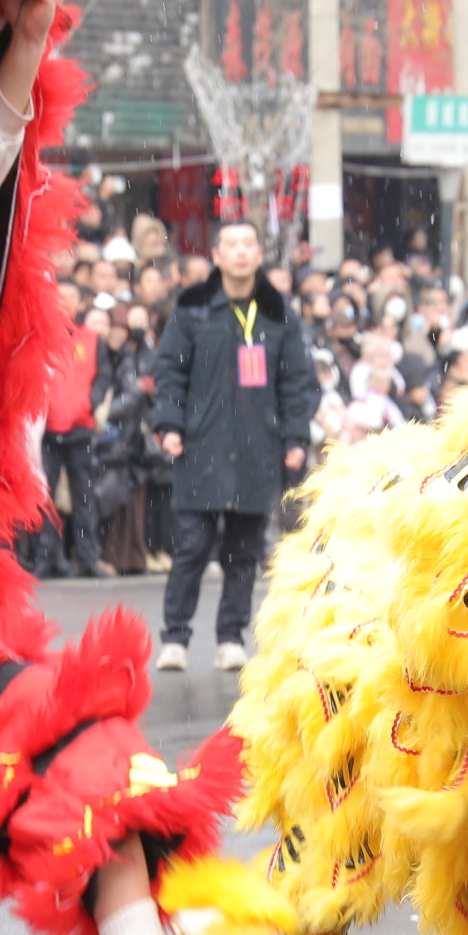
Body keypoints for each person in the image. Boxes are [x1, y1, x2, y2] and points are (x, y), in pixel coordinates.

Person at [147, 217, 315, 672]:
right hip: (201, 444)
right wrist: (170, 425)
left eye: (248, 243)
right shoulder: (193, 309)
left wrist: (295, 435)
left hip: (259, 446)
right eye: (231, 244)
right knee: (192, 547)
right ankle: (175, 637)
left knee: (244, 552)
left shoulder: (279, 313)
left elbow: (297, 381)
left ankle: (230, 637)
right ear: (216, 255)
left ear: (259, 254)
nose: (240, 252)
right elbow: (169, 373)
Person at [37, 276, 107, 576]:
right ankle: (47, 559)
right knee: (46, 499)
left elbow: (103, 377)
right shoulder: (39, 337)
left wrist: (90, 402)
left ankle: (88, 560)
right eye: (60, 296)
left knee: (84, 497)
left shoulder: (91, 339)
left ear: (80, 304)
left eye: (71, 297)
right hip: (48, 428)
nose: (65, 303)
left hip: (80, 426)